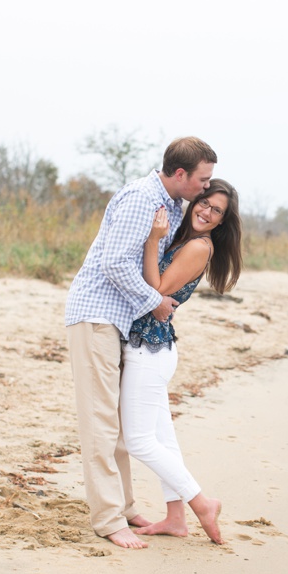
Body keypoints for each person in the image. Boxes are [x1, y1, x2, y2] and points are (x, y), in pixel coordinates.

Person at [64, 137, 217, 549]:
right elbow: (114, 262)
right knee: (99, 423)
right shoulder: (142, 199)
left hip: (118, 320)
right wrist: (155, 301)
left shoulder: (170, 204)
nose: (206, 187)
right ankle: (109, 518)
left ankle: (126, 507)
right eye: (203, 179)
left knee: (115, 423)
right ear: (181, 173)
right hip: (96, 315)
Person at [119, 179, 243, 545]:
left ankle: (201, 503)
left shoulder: (198, 247)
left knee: (140, 441)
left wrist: (152, 240)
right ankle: (176, 518)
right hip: (155, 349)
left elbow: (155, 291)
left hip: (148, 350)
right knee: (162, 439)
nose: (206, 211)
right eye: (204, 202)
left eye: (216, 211)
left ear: (222, 221)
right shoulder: (186, 238)